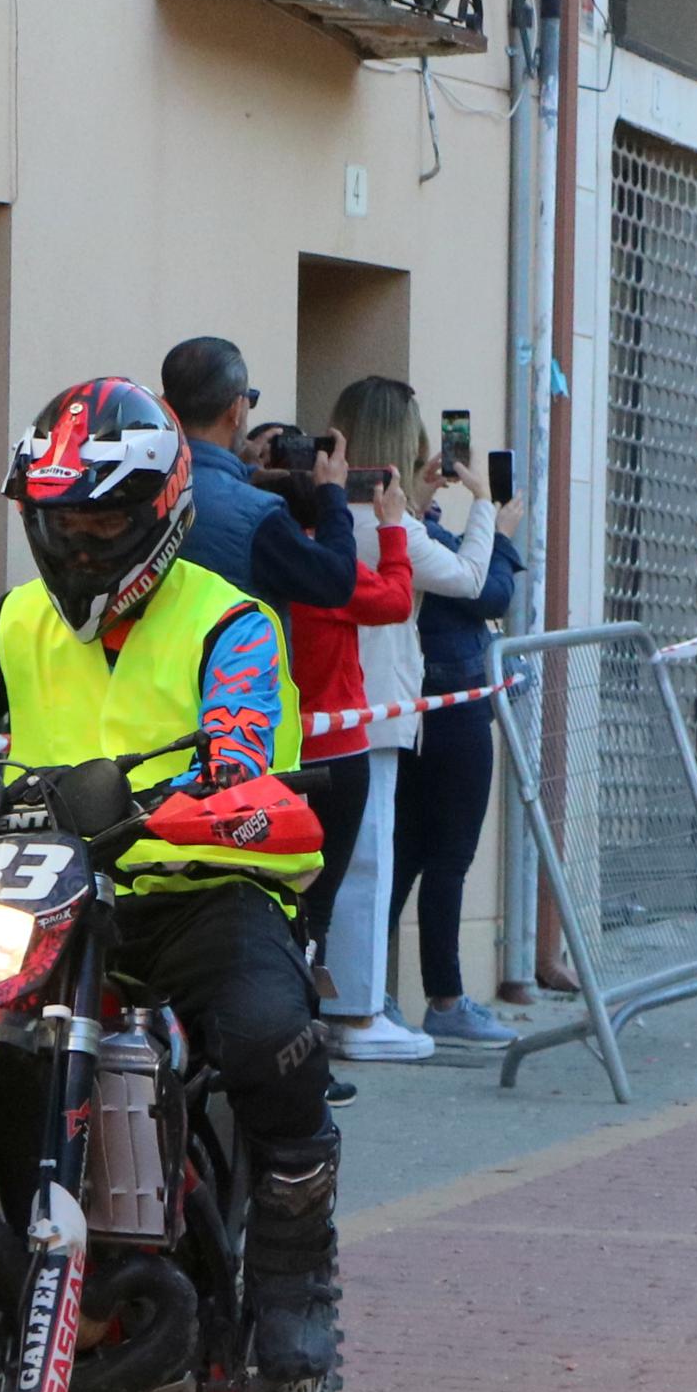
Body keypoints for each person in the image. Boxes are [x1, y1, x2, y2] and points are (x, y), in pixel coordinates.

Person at [0, 378, 341, 1379]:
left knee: (272, 1033)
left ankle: (291, 1256)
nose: (80, 544)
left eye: (103, 520)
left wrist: (200, 791)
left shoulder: (232, 626)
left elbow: (239, 747)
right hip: (47, 896)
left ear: (159, 513)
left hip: (195, 889)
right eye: (59, 521)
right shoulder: (18, 622)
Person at [316, 378, 463, 1064]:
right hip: (372, 710)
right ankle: (358, 1009)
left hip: (327, 704)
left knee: (333, 863)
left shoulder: (319, 514)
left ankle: (335, 1003)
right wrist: (487, 508)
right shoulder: (384, 528)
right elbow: (466, 578)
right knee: (368, 863)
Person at [283, 418, 417, 1006]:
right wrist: (393, 530)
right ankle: (306, 1027)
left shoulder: (258, 557)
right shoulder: (320, 566)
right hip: (336, 753)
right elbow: (395, 600)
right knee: (320, 903)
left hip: (270, 750)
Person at [400, 458, 522, 1048]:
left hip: (422, 706)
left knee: (406, 855)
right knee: (443, 856)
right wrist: (495, 527)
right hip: (450, 704)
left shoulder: (401, 526)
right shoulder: (406, 534)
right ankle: (443, 1000)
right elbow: (486, 589)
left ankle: (377, 997)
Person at [162, 336, 362, 624]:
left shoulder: (139, 484)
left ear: (166, 404)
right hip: (233, 665)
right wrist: (332, 493)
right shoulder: (257, 515)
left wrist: (242, 472)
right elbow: (336, 582)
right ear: (236, 409)